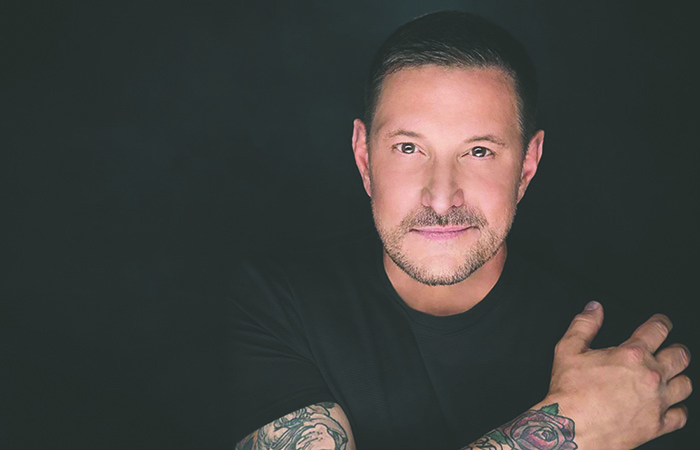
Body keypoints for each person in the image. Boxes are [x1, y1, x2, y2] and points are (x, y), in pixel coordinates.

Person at [229, 11, 692, 449]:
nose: (441, 197)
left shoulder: (625, 358)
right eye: (408, 148)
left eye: (479, 152)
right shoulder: (274, 305)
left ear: (527, 165)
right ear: (365, 158)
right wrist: (568, 430)